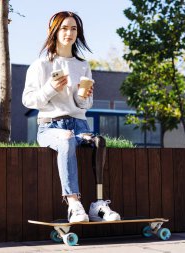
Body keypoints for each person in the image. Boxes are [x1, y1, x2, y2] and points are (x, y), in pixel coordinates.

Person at [22, 11, 120, 223]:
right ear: (54, 31)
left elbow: (84, 105)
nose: (69, 32)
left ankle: (98, 205)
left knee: (99, 142)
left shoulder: (82, 65)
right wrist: (50, 88)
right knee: (66, 138)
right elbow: (29, 101)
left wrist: (84, 96)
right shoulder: (41, 65)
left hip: (79, 125)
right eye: (64, 28)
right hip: (50, 127)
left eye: (73, 28)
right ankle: (73, 203)